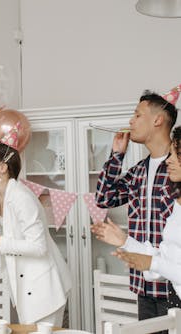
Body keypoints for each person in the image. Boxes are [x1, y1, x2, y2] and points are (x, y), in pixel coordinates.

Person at [0, 137, 72, 327]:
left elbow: (38, 247)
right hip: (26, 287)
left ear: (2, 168)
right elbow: (3, 232)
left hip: (44, 289)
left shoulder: (21, 197)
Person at [94, 90, 178, 325]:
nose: (131, 121)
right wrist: (116, 156)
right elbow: (103, 198)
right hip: (143, 285)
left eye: (137, 114)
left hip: (174, 285)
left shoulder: (177, 169)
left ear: (157, 120)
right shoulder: (139, 172)